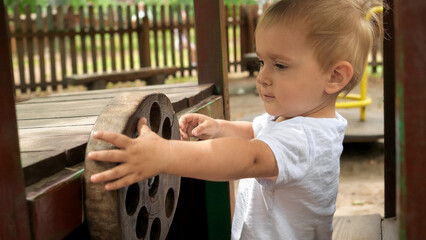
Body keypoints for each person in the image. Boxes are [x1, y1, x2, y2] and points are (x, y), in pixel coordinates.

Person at [88, 0, 381, 239]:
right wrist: (219, 128)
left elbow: (250, 158)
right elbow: (255, 132)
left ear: (334, 76)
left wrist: (164, 155)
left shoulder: (305, 139)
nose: (262, 77)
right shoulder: (297, 120)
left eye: (280, 65)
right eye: (262, 62)